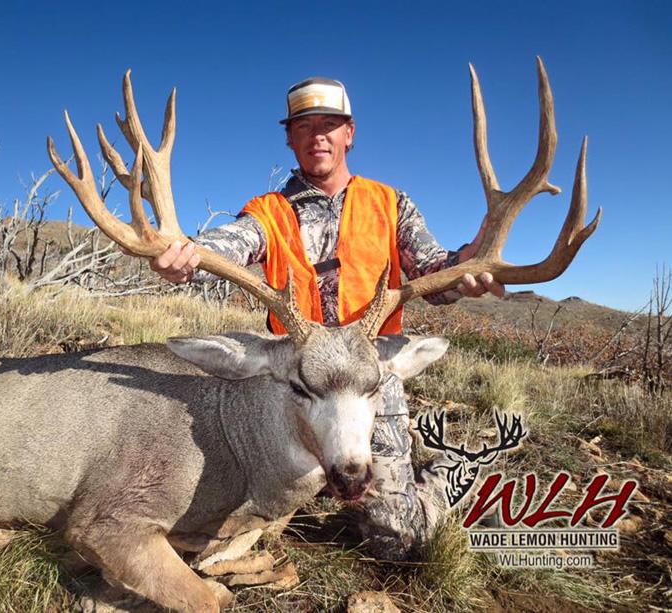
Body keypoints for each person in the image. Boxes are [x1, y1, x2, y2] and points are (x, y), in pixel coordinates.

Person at [132, 77, 504, 560]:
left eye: (330, 125)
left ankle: (449, 478)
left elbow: (432, 269)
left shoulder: (391, 204)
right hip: (292, 382)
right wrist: (187, 257)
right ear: (290, 138)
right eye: (304, 127)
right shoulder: (268, 212)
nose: (318, 136)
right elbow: (231, 245)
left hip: (367, 382)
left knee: (397, 539)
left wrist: (463, 269)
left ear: (350, 133)